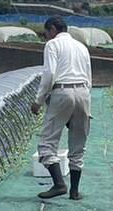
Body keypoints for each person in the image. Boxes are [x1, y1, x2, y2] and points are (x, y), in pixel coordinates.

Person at [34, 16, 91, 201]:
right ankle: (75, 191)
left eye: (46, 33)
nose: (46, 36)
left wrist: (39, 101)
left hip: (62, 91)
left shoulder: (52, 45)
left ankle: (59, 184)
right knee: (78, 142)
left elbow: (49, 74)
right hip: (83, 92)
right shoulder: (81, 47)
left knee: (47, 142)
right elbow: (89, 76)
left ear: (52, 29)